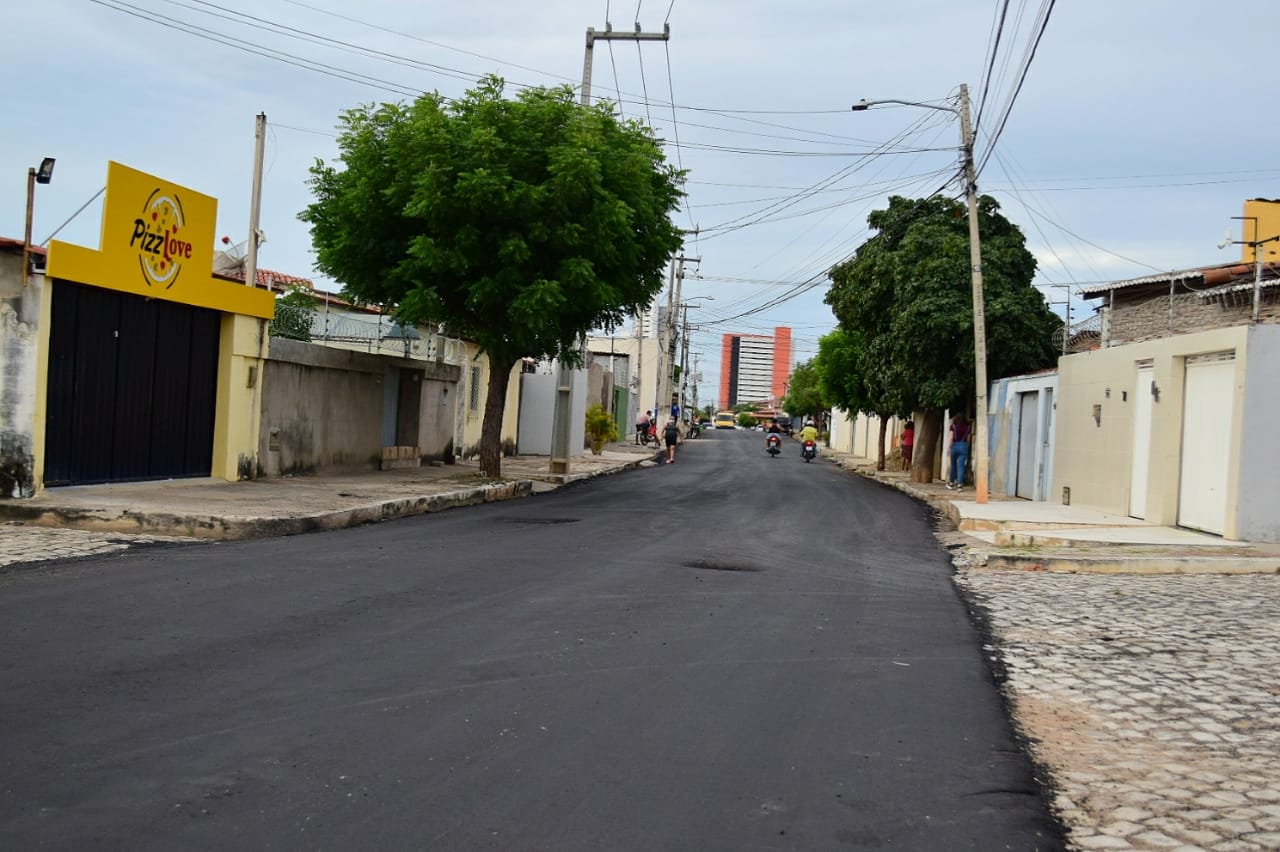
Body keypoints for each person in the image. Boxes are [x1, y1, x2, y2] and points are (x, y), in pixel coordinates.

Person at [947, 414, 971, 490]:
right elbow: (968, 440)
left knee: (953, 465)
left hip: (954, 446)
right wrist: (965, 447)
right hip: (963, 446)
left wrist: (949, 448)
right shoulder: (968, 428)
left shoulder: (953, 426)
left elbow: (951, 438)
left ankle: (951, 483)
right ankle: (960, 485)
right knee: (961, 466)